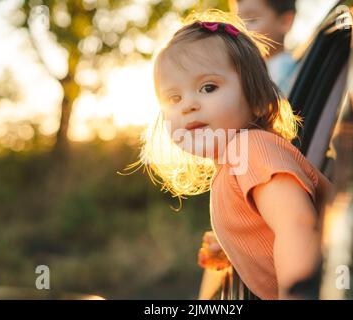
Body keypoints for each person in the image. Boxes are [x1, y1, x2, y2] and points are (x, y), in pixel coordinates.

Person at [133, 10, 331, 299]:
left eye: (208, 87)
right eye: (174, 98)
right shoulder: (234, 163)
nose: (188, 105)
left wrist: (296, 293)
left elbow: (297, 225)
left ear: (259, 100)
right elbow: (271, 229)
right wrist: (235, 248)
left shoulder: (251, 148)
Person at [229, 0, 297, 95]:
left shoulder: (288, 74)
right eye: (238, 23)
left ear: (285, 22)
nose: (241, 30)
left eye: (251, 20)